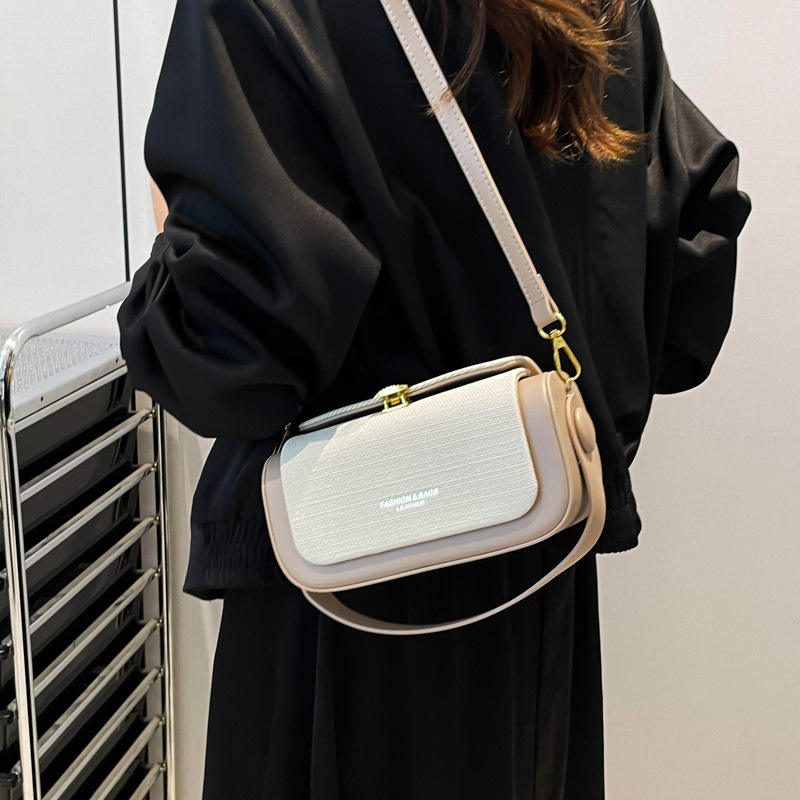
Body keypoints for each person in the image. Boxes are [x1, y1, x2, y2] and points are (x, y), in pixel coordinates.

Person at [117, 0, 752, 797]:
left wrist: (167, 239)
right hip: (537, 565)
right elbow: (693, 264)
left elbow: (227, 357)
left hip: (343, 607)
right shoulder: (605, 8)